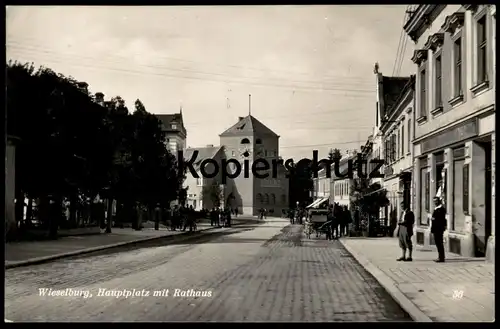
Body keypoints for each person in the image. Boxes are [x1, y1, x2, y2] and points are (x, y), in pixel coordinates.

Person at [431, 197, 447, 262]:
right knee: (438, 243)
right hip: (436, 228)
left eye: (436, 201)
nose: (435, 202)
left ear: (439, 201)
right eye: (434, 201)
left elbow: (441, 219)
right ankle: (440, 256)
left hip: (439, 228)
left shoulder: (441, 209)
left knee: (439, 243)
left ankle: (441, 257)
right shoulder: (436, 209)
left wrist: (434, 219)